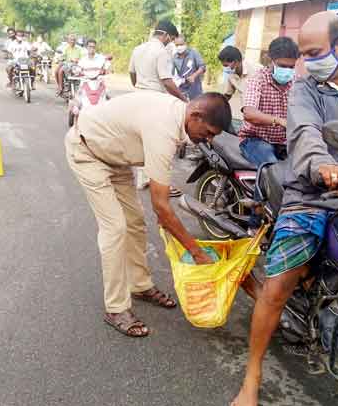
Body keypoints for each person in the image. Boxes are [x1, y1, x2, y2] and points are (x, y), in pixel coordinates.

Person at [230, 12, 338, 406]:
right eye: (302, 54)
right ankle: (252, 376)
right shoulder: (308, 88)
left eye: (314, 53)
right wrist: (325, 166)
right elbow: (304, 132)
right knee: (279, 283)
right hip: (313, 194)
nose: (306, 62)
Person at [66, 92, 232, 338]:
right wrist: (195, 252)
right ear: (195, 115)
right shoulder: (163, 128)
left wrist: (164, 214)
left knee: (135, 223)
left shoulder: (179, 119)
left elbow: (161, 204)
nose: (207, 140)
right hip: (87, 153)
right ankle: (116, 308)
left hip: (117, 159)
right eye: (207, 132)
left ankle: (140, 285)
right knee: (115, 229)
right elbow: (162, 206)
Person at [129, 20, 186, 195]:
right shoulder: (161, 52)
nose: (170, 42)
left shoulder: (138, 49)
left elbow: (132, 73)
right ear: (166, 35)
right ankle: (162, 184)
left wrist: (138, 87)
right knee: (161, 142)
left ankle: (142, 179)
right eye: (171, 38)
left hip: (138, 98)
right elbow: (167, 81)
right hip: (155, 101)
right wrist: (183, 99)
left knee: (141, 140)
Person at [238, 37, 298, 167]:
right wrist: (279, 121)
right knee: (273, 172)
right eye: (282, 66)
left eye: (291, 67)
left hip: (285, 142)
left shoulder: (297, 82)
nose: (287, 71)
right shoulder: (257, 80)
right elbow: (249, 113)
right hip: (255, 140)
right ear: (271, 60)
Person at [171, 36, 207, 100]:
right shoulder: (174, 58)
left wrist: (194, 76)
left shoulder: (193, 53)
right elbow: (172, 75)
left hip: (195, 89)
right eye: (177, 45)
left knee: (196, 107)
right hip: (182, 90)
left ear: (185, 43)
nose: (179, 47)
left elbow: (202, 66)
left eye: (181, 44)